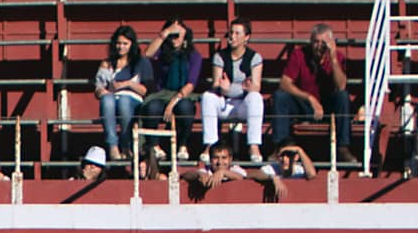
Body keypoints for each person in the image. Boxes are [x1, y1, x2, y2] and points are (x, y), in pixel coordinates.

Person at [273, 23, 352, 160]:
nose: (319, 46)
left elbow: (341, 86)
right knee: (280, 96)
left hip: (328, 104)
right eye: (315, 42)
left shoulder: (338, 57)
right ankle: (281, 147)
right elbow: (284, 83)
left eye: (323, 43)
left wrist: (332, 58)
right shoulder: (299, 54)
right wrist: (310, 98)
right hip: (304, 104)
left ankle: (343, 147)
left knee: (343, 96)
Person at [138, 18, 203, 163]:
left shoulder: (193, 55)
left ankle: (182, 145)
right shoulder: (163, 52)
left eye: (177, 35)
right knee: (152, 108)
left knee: (186, 107)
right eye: (171, 36)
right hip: (163, 93)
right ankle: (154, 145)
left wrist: (172, 103)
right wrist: (165, 33)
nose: (174, 39)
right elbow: (148, 54)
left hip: (183, 94)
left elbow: (191, 84)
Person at [200, 18, 264, 163]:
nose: (232, 37)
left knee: (256, 98)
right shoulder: (220, 56)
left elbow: (255, 87)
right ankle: (210, 145)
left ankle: (254, 145)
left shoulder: (254, 57)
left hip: (243, 105)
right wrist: (227, 89)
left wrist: (234, 89)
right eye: (231, 32)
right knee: (207, 97)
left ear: (246, 37)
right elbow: (217, 84)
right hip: (224, 103)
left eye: (237, 33)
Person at [95, 25, 153, 162]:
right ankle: (113, 145)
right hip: (112, 97)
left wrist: (127, 84)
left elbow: (146, 90)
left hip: (133, 98)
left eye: (125, 44)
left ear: (132, 44)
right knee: (107, 100)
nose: (121, 47)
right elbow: (98, 89)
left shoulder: (141, 62)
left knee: (124, 101)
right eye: (118, 43)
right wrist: (101, 91)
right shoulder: (107, 63)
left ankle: (126, 144)